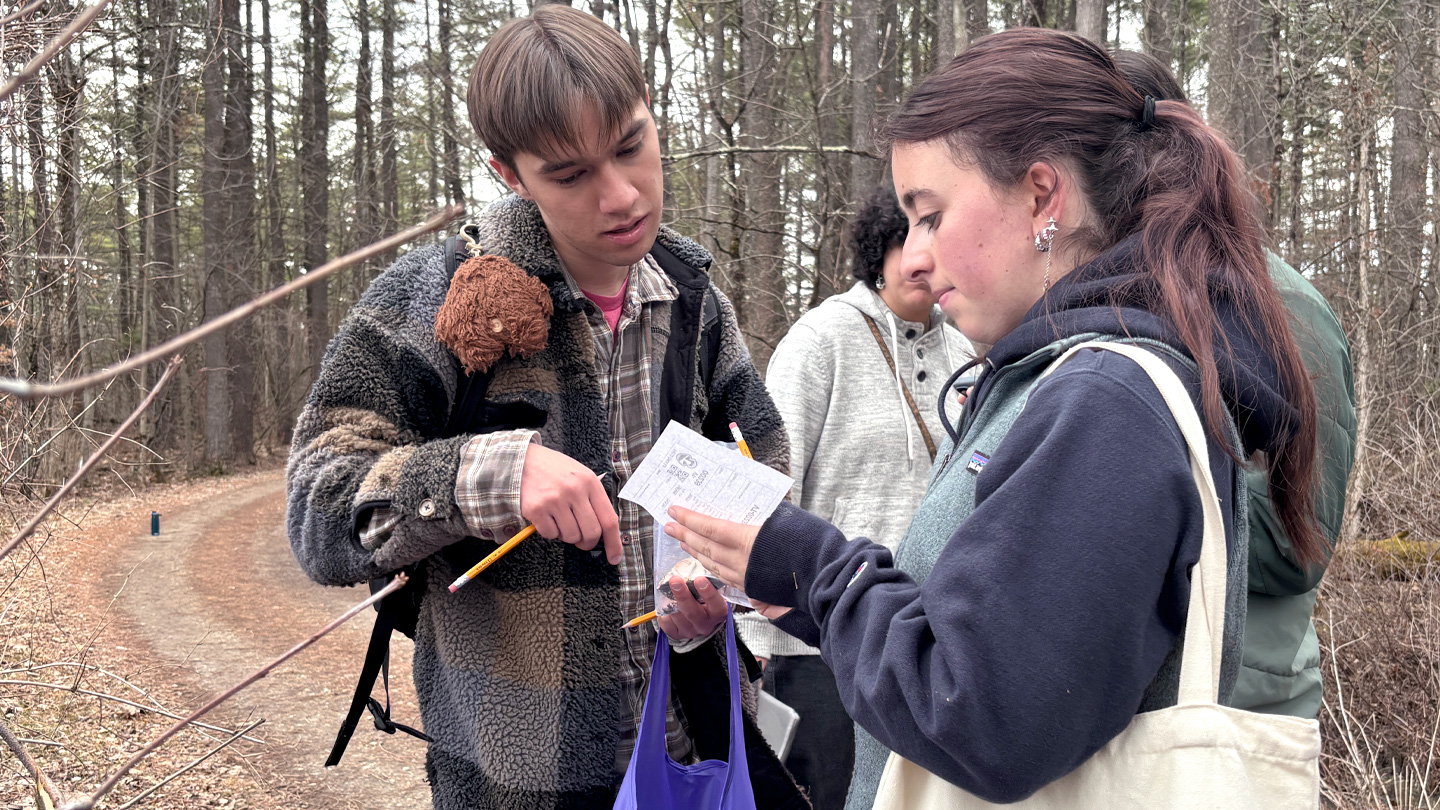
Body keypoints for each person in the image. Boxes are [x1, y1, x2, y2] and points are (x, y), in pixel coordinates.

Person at [662, 28, 1324, 806]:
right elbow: (979, 644)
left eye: (932, 215)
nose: (915, 253)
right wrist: (804, 594)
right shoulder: (1068, 376)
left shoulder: (1106, 399)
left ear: (1043, 196)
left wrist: (815, 567)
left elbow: (983, 716)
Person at [285, 7, 805, 809]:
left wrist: (720, 580)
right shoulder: (430, 303)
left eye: (631, 145)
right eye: (570, 175)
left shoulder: (695, 297)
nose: (622, 194)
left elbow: (760, 452)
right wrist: (487, 475)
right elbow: (318, 509)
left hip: (697, 746)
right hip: (519, 774)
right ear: (508, 173)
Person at [1110, 48, 1357, 719]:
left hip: (1236, 716)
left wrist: (1113, 483)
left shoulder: (1281, 307)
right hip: (1128, 709)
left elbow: (1292, 545)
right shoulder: (1102, 300)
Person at [739, 186, 971, 808]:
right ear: (879, 250)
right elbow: (767, 486)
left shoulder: (968, 349)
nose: (922, 257)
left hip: (927, 640)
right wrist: (759, 638)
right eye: (905, 239)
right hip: (817, 639)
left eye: (935, 235)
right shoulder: (821, 340)